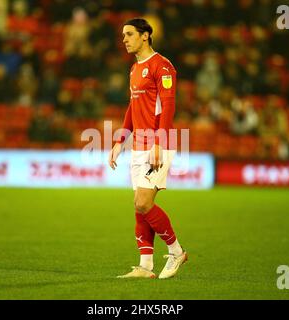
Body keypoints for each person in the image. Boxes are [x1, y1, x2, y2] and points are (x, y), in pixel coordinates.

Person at [108, 18, 187, 280]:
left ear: (145, 36)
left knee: (143, 202)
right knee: (139, 206)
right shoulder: (134, 69)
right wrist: (120, 141)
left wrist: (158, 144)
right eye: (123, 35)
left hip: (157, 143)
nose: (124, 39)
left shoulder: (162, 66)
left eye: (129, 34)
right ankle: (145, 266)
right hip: (139, 144)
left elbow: (168, 107)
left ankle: (176, 251)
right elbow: (132, 108)